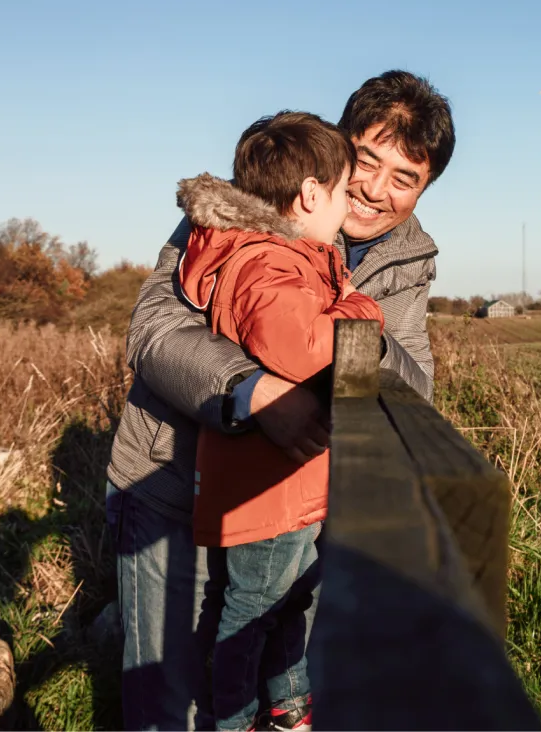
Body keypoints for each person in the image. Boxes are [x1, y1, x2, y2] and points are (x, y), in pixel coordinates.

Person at [105, 70, 455, 730]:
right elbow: (153, 332)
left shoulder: (409, 259)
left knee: (268, 667)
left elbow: (412, 389)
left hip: (294, 507)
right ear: (342, 144)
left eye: (404, 178)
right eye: (368, 160)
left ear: (425, 188)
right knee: (170, 703)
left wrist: (359, 342)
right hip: (170, 490)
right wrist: (255, 393)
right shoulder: (242, 203)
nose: (375, 190)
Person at [176, 111, 384, 731]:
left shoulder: (276, 256)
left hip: (282, 485)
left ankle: (289, 709)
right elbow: (310, 349)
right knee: (251, 612)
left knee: (286, 601)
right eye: (347, 189)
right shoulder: (270, 262)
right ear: (312, 194)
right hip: (265, 490)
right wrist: (359, 306)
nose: (353, 203)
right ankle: (234, 720)